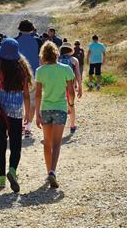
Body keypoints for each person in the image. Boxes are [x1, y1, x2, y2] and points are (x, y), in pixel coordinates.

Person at [0, 38, 32, 192]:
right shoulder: (22, 70)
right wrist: (28, 113)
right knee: (16, 144)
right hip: (16, 111)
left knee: (1, 144)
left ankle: (1, 178)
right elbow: (26, 95)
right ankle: (12, 171)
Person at [35, 41, 75, 189]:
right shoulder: (66, 69)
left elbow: (38, 94)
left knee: (47, 142)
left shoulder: (40, 71)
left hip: (46, 109)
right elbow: (71, 91)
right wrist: (70, 104)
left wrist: (37, 114)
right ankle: (53, 171)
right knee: (57, 143)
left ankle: (48, 172)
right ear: (56, 54)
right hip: (60, 108)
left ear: (43, 55)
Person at [15, 20, 43, 138]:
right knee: (32, 102)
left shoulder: (14, 41)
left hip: (18, 76)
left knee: (18, 102)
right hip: (34, 75)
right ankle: (28, 127)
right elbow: (41, 59)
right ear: (32, 29)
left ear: (19, 28)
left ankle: (19, 126)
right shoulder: (37, 41)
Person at [58, 42, 83, 134]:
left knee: (58, 105)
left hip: (58, 86)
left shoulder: (56, 60)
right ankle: (72, 126)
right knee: (71, 105)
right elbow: (78, 75)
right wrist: (80, 87)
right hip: (70, 86)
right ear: (71, 50)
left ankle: (59, 126)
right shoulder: (74, 60)